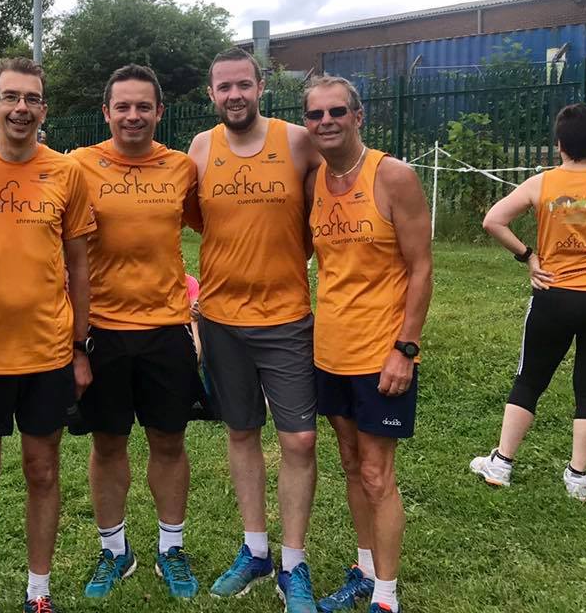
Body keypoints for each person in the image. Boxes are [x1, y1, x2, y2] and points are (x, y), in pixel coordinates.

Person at [0, 57, 96, 613]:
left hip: (47, 352)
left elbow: (80, 266)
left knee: (43, 470)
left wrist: (81, 347)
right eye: (10, 97)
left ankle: (39, 590)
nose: (21, 108)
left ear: (44, 108)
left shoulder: (66, 172)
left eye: (32, 98)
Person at [187, 47, 323, 611]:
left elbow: (316, 221)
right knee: (241, 433)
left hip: (286, 317)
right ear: (212, 93)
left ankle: (294, 563)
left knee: (299, 439)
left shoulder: (297, 141)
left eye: (244, 84)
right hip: (219, 317)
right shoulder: (200, 148)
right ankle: (255, 550)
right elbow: (201, 220)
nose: (234, 95)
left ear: (262, 86)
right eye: (224, 87)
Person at [69, 64, 204, 600]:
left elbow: (214, 226)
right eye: (122, 106)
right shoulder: (79, 165)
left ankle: (171, 547)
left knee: (168, 440)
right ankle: (114, 550)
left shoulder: (180, 168)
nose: (132, 115)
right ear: (106, 112)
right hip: (103, 328)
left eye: (142, 106)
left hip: (167, 326)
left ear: (159, 112)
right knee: (107, 442)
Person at [303, 75, 432, 613]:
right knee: (352, 463)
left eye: (337, 112)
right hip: (328, 350)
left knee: (379, 474)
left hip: (381, 355)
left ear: (359, 116)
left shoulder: (393, 175)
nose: (326, 122)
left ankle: (386, 597)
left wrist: (405, 348)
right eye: (316, 115)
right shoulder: (311, 178)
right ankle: (364, 567)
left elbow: (421, 267)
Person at [470, 102, 586, 502]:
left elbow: (493, 219)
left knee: (529, 380)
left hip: (552, 295)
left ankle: (502, 463)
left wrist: (529, 257)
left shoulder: (541, 183)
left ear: (558, 144)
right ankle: (578, 477)